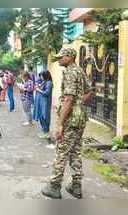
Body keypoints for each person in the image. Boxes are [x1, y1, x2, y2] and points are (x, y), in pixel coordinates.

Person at [41, 48, 93, 199]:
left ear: (69, 57)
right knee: (75, 150)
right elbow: (90, 90)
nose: (58, 60)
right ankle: (76, 186)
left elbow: (69, 99)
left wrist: (60, 124)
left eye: (61, 57)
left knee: (61, 152)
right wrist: (80, 104)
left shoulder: (70, 72)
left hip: (71, 119)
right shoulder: (80, 71)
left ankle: (54, 186)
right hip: (80, 118)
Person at [33, 70, 53, 138]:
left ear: (45, 75)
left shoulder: (49, 83)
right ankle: (44, 132)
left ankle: (47, 132)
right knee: (41, 116)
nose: (41, 77)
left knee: (45, 116)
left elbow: (47, 92)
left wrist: (38, 90)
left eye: (42, 76)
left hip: (45, 103)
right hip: (40, 103)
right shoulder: (43, 82)